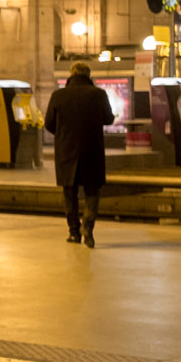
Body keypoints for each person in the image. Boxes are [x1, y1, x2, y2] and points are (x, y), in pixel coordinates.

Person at [45, 62, 115, 247]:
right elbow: (108, 119)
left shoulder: (58, 95)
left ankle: (74, 233)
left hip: (66, 151)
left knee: (70, 193)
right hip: (92, 150)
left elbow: (49, 124)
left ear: (71, 74)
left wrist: (64, 134)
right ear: (88, 75)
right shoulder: (98, 94)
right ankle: (88, 227)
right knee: (92, 191)